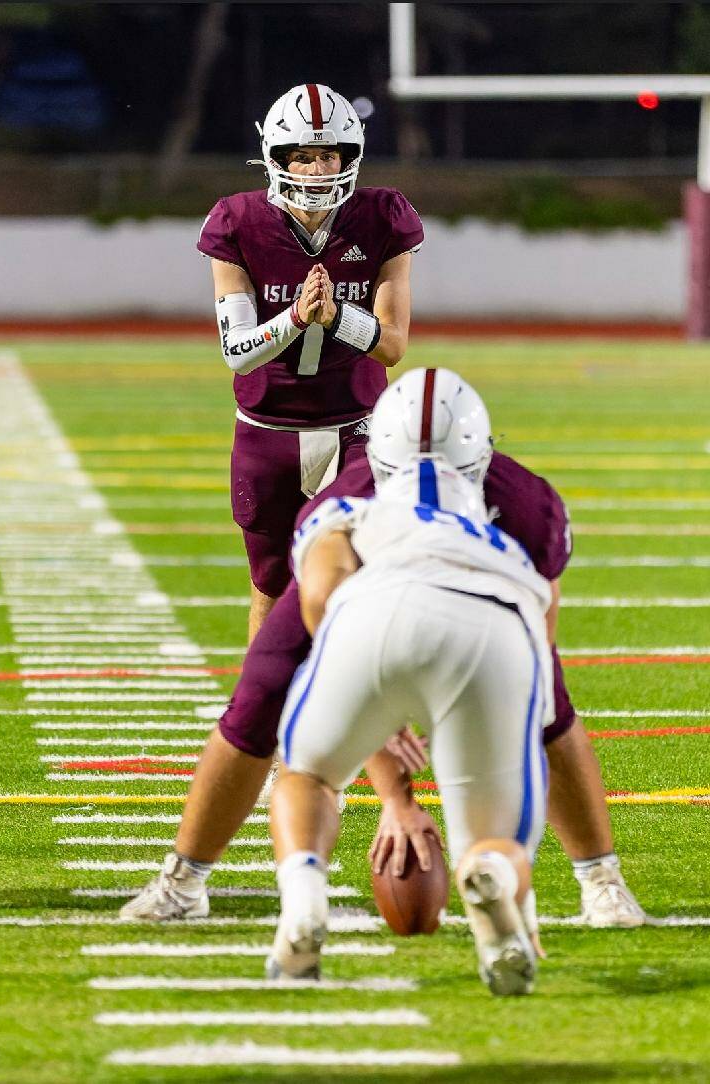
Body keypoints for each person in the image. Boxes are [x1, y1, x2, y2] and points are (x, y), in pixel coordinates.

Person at [120, 374, 645, 931]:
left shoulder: (520, 506)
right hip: (376, 599)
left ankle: (601, 877)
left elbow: (538, 644)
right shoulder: (359, 500)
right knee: (260, 696)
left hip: (449, 604)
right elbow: (324, 608)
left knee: (549, 710)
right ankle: (183, 879)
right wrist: (392, 781)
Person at [267, 369, 552, 994]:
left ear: (377, 454)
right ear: (480, 457)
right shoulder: (510, 533)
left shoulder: (346, 507)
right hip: (494, 620)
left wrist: (373, 704)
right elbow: (542, 641)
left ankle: (305, 899)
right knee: (495, 841)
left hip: (376, 604)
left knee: (308, 775)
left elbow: (320, 590)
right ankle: (496, 883)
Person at [197, 83, 423, 641]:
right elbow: (237, 352)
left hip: (355, 431)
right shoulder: (237, 221)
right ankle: (260, 719)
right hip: (267, 431)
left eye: (328, 155)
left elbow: (392, 345)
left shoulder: (382, 216)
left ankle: (363, 714)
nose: (319, 169)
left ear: (350, 158)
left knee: (358, 578)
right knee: (270, 587)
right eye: (303, 155)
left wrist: (336, 318)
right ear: (277, 158)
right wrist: (297, 319)